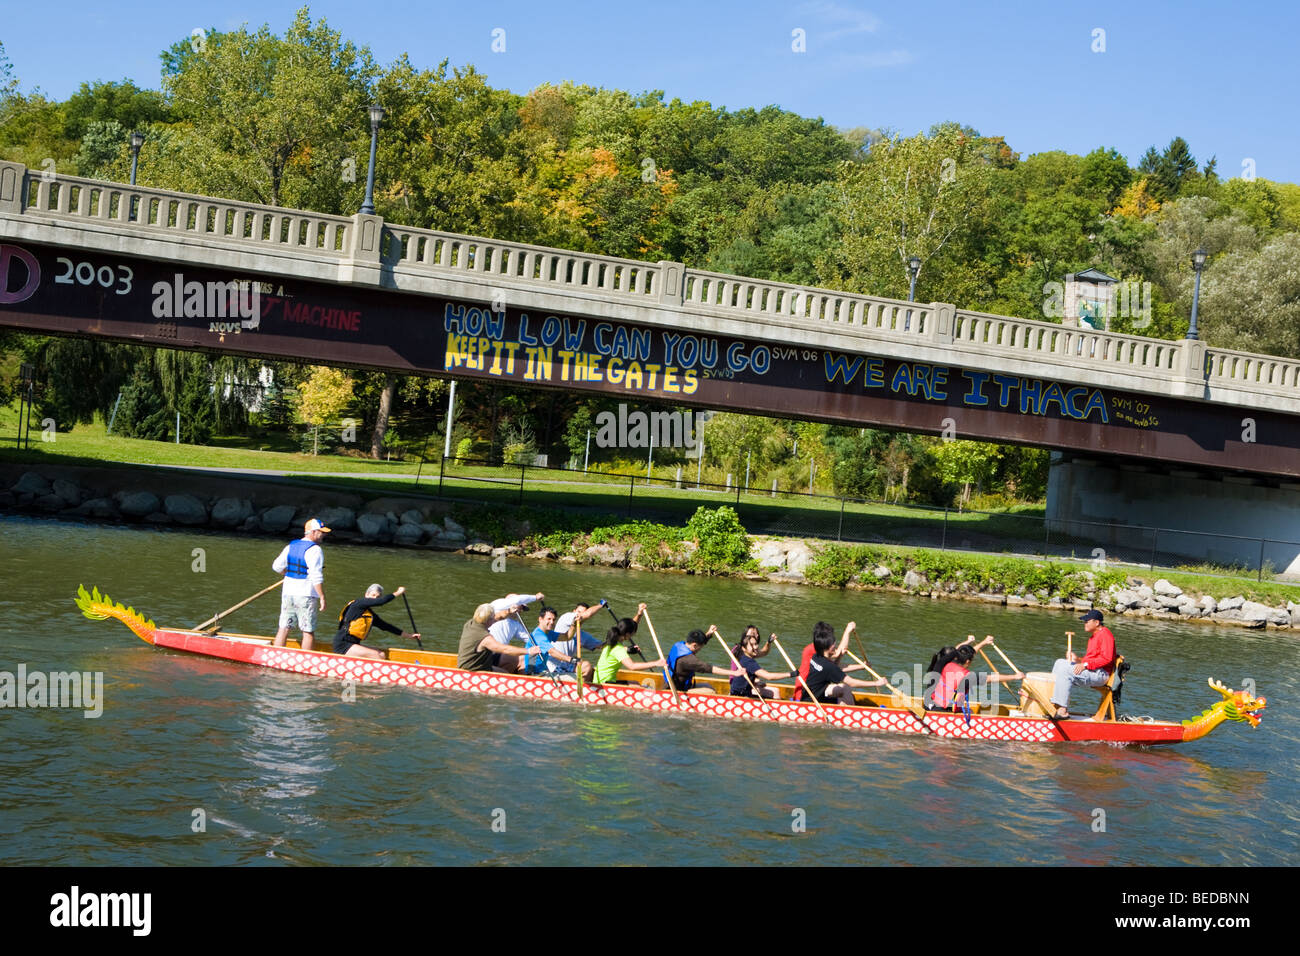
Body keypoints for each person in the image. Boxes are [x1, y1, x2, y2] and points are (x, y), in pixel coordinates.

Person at [272, 517, 329, 651]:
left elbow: (276, 566)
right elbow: (316, 576)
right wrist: (322, 597)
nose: (324, 535)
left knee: (284, 627)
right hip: (306, 595)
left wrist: (289, 574)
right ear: (313, 532)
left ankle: (276, 654)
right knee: (308, 631)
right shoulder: (315, 550)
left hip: (288, 593)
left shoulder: (290, 546)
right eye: (321, 532)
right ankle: (307, 659)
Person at [924, 637, 1023, 712]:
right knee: (970, 711)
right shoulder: (967, 677)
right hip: (942, 711)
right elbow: (991, 678)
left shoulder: (944, 664)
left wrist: (983, 642)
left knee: (968, 709)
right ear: (967, 661)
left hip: (931, 704)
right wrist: (1015, 676)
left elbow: (959, 652)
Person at [1050, 610, 1117, 719]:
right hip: (1093, 670)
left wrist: (1084, 665)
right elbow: (1089, 660)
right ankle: (1053, 702)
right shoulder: (1094, 636)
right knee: (1060, 663)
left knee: (1066, 671)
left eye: (1087, 621)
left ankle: (1062, 710)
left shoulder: (1105, 635)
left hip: (1101, 675)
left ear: (1097, 622)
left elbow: (1106, 659)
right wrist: (1077, 660)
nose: (1084, 623)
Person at [804, 623, 886, 706]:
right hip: (812, 704)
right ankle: (849, 714)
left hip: (810, 696)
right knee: (846, 688)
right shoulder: (828, 666)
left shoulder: (816, 657)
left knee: (844, 688)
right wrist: (876, 683)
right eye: (833, 644)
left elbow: (834, 668)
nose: (835, 646)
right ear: (828, 648)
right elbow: (851, 682)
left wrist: (840, 656)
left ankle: (844, 709)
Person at [332, 584, 421, 659]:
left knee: (381, 654)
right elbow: (382, 601)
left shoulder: (370, 615)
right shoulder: (358, 604)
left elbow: (386, 626)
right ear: (366, 595)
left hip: (353, 644)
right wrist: (398, 592)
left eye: (377, 597)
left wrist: (409, 635)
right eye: (373, 595)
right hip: (342, 644)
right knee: (376, 655)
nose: (375, 598)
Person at [719, 625, 791, 698]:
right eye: (752, 634)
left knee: (770, 688)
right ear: (745, 636)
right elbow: (767, 675)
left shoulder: (749, 650)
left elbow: (764, 652)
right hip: (739, 688)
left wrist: (768, 642)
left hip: (747, 684)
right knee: (775, 692)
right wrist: (791, 674)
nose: (756, 636)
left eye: (757, 634)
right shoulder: (740, 651)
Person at [792, 621, 857, 702]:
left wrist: (863, 666)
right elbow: (838, 654)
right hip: (805, 692)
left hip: (816, 688)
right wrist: (848, 630)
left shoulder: (818, 647)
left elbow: (835, 667)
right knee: (845, 689)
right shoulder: (815, 649)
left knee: (844, 690)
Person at [594, 610, 665, 684]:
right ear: (627, 634)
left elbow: (630, 626)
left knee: (635, 683)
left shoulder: (610, 642)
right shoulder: (619, 649)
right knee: (637, 686)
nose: (632, 636)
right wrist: (656, 663)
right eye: (632, 634)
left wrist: (639, 614)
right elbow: (632, 666)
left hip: (599, 681)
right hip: (604, 685)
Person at [664, 629, 743, 695]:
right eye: (700, 648)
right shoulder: (688, 660)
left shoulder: (679, 645)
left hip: (680, 685)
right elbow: (710, 668)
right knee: (711, 692)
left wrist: (708, 634)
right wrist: (734, 673)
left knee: (707, 685)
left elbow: (698, 642)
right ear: (694, 645)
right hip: (676, 691)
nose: (699, 650)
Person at [526, 606, 593, 681]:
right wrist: (572, 660)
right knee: (582, 674)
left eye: (553, 620)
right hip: (535, 675)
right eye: (549, 619)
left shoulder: (549, 633)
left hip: (544, 672)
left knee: (586, 666)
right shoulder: (538, 635)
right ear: (540, 619)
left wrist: (573, 625)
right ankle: (581, 690)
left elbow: (567, 637)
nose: (551, 622)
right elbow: (552, 652)